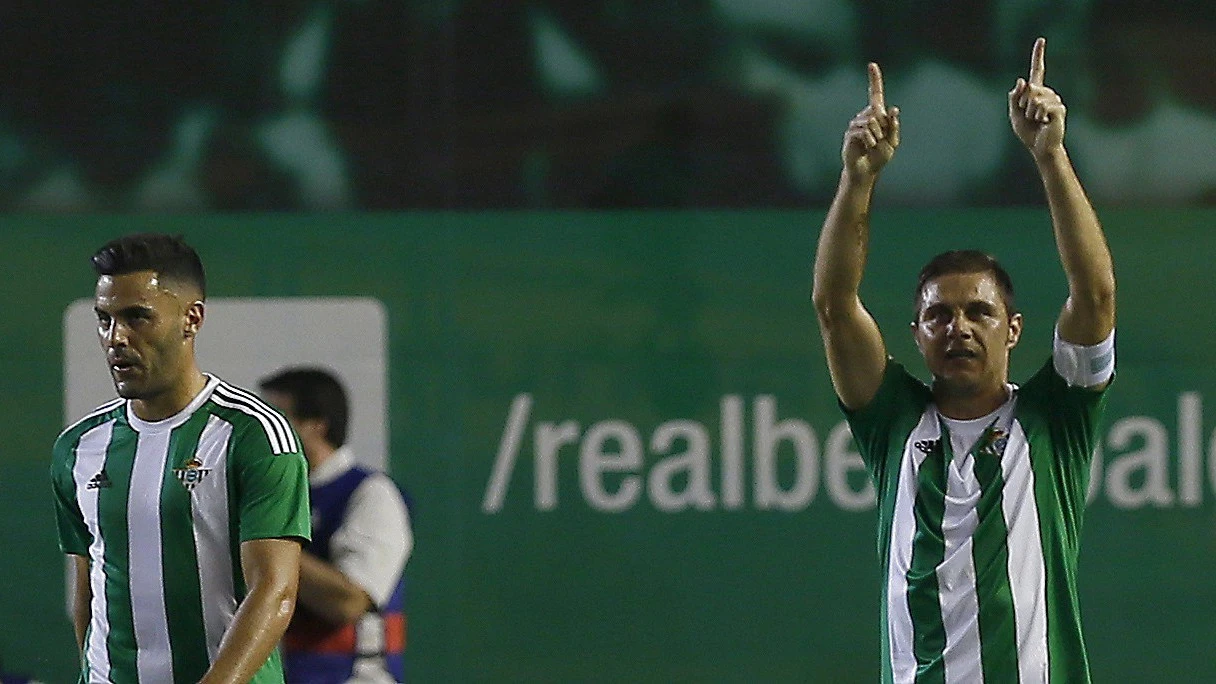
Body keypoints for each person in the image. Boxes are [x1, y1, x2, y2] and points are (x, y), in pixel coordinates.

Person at [811, 38, 1115, 682]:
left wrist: (1051, 155)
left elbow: (1095, 294)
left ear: (1013, 330)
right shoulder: (892, 420)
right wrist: (858, 178)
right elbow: (835, 305)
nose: (959, 328)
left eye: (979, 313)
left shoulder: (1056, 418)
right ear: (915, 336)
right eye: (938, 316)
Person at [50, 233, 311, 683]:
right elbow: (88, 589)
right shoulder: (78, 446)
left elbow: (275, 591)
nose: (117, 338)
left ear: (192, 319)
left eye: (137, 318)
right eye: (104, 320)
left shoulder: (254, 436)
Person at [258, 368, 413, 684]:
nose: (262, 434)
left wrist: (266, 544)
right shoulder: (268, 497)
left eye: (275, 420)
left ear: (316, 425)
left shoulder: (370, 494)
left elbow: (349, 602)